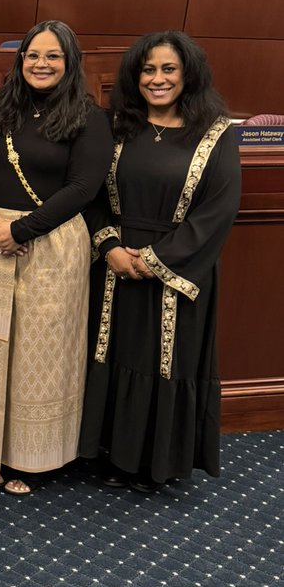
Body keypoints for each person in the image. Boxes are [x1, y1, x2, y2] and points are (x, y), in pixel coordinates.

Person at [80, 31, 241, 492]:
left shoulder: (216, 133)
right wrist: (110, 246)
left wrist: (154, 259)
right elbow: (88, 193)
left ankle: (156, 463)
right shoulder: (115, 126)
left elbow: (217, 211)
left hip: (177, 267)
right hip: (114, 264)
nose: (157, 79)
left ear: (188, 73)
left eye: (168, 69)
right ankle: (112, 453)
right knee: (112, 351)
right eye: (148, 69)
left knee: (166, 361)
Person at [0, 20, 113, 495]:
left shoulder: (88, 117)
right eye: (33, 55)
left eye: (52, 56)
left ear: (69, 63)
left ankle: (31, 457)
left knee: (39, 351)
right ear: (20, 60)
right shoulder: (1, 108)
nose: (41, 64)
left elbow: (83, 188)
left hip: (50, 247)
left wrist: (22, 229)